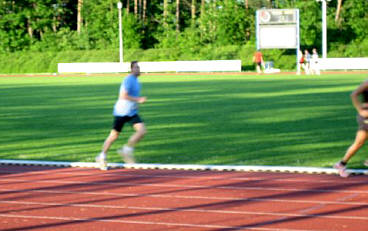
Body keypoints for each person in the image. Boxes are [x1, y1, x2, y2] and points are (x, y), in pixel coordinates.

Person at [96, 61, 147, 170]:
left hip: (132, 112)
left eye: (139, 67)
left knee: (142, 131)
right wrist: (139, 99)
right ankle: (102, 156)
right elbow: (123, 95)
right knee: (114, 135)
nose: (139, 69)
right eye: (136, 67)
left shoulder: (137, 82)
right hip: (121, 112)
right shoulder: (128, 79)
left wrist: (136, 105)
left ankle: (126, 150)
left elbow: (133, 96)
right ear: (132, 69)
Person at [334, 80, 368, 177]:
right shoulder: (367, 83)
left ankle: (341, 164)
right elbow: (353, 95)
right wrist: (360, 110)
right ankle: (341, 164)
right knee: (359, 143)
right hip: (366, 116)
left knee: (358, 143)